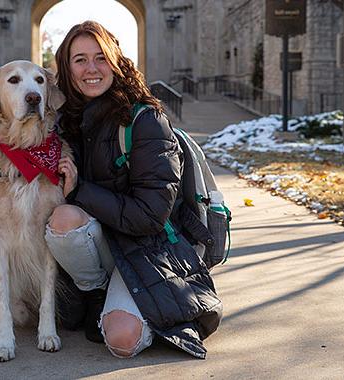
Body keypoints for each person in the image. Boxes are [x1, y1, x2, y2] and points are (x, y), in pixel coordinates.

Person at [45, 21, 222, 359]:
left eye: (101, 57)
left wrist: (79, 189)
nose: (91, 69)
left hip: (149, 246)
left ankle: (143, 304)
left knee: (122, 340)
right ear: (67, 70)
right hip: (101, 243)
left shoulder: (145, 121)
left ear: (116, 61)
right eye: (79, 60)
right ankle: (94, 291)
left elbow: (151, 216)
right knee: (63, 218)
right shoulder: (63, 124)